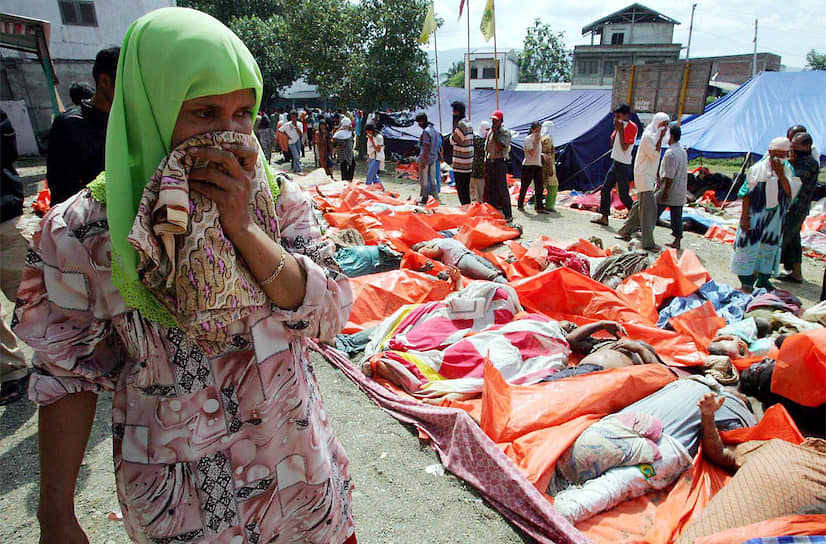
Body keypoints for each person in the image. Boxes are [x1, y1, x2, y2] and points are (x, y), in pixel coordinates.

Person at [13, 8, 355, 543]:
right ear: (150, 108)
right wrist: (56, 515)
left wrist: (243, 229)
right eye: (203, 113)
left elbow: (331, 312)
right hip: (184, 505)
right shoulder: (83, 234)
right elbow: (67, 376)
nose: (228, 135)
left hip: (299, 485)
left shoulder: (278, 201)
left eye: (243, 113)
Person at [675, 394, 826, 543]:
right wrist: (708, 418)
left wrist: (708, 417)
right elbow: (720, 454)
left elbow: (719, 454)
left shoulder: (776, 448)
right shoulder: (774, 448)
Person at [46, 46, 120, 205]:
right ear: (105, 81)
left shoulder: (126, 120)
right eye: (127, 83)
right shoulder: (70, 125)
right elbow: (63, 192)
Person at [732, 137, 800, 293]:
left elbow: (791, 193)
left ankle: (763, 279)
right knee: (748, 247)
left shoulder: (788, 170)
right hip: (755, 217)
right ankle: (747, 282)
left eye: (782, 155)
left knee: (767, 249)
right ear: (769, 152)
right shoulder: (757, 169)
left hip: (774, 221)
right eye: (775, 154)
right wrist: (744, 217)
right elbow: (746, 193)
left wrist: (780, 174)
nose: (778, 158)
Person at [0, 109, 29, 405]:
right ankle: (11, 371)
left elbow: (7, 150)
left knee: (30, 300)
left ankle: (61, 361)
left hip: (4, 221)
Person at [615, 112, 669, 251]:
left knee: (640, 204)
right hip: (643, 175)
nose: (665, 128)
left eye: (667, 124)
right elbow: (654, 154)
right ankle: (648, 242)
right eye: (663, 124)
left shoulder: (656, 138)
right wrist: (660, 138)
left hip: (649, 175)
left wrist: (656, 174)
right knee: (648, 210)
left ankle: (624, 230)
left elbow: (655, 160)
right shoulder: (648, 137)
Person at [779, 132, 820, 283]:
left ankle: (763, 270)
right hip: (794, 207)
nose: (792, 149)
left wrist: (790, 163)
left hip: (797, 207)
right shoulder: (801, 159)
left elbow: (794, 182)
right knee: (794, 241)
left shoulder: (809, 163)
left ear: (806, 146)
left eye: (795, 147)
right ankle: (796, 273)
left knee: (782, 238)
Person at [592, 104, 638, 225]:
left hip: (624, 164)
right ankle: (604, 216)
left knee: (623, 195)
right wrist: (617, 129)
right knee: (605, 189)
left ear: (626, 116)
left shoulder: (632, 127)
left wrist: (621, 130)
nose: (616, 119)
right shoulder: (619, 127)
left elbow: (624, 147)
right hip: (615, 162)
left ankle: (637, 217)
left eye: (619, 116)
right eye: (616, 116)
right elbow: (613, 143)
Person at [412, 238, 507, 283]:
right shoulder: (441, 243)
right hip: (463, 258)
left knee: (495, 273)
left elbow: (433, 252)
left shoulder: (438, 242)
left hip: (465, 256)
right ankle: (514, 291)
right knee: (493, 275)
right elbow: (432, 253)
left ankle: (513, 290)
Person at [655, 124, 688, 250]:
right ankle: (677, 239)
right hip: (680, 188)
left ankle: (644, 233)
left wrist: (665, 192)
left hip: (669, 188)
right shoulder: (682, 152)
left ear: (671, 136)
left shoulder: (670, 153)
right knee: (676, 215)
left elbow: (669, 176)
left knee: (654, 211)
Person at [485, 110, 513, 222]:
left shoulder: (504, 132)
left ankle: (508, 214)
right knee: (491, 189)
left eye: (496, 120)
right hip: (490, 162)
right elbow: (487, 148)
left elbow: (501, 147)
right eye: (492, 120)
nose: (493, 122)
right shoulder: (490, 133)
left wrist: (496, 133)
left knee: (502, 189)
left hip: (499, 162)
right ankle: (493, 212)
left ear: (501, 121)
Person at [519, 121, 548, 214]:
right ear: (532, 129)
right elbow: (531, 152)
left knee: (539, 187)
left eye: (540, 130)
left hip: (538, 165)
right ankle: (520, 205)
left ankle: (539, 207)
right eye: (537, 130)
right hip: (528, 165)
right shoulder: (528, 139)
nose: (538, 132)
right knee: (525, 186)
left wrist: (543, 155)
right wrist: (536, 142)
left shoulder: (539, 140)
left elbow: (537, 153)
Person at [449, 101, 474, 205]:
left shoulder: (461, 124)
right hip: (468, 162)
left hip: (461, 164)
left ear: (456, 112)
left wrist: (454, 126)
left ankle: (466, 210)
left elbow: (453, 140)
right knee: (465, 189)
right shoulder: (468, 122)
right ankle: (467, 209)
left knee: (462, 190)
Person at [415, 112, 440, 204]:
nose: (418, 125)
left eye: (419, 122)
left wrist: (423, 161)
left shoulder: (426, 132)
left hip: (426, 158)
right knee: (433, 178)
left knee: (424, 179)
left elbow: (426, 146)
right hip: (434, 157)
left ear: (422, 121)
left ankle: (425, 197)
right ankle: (434, 196)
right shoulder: (434, 131)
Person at [540, 120, 558, 212]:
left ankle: (538, 203)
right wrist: (550, 168)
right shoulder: (547, 139)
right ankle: (549, 205)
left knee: (540, 185)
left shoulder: (541, 138)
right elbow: (547, 156)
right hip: (547, 165)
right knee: (553, 185)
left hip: (541, 165)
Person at [470, 121, 489, 203]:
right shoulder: (478, 139)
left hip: (482, 166)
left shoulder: (479, 139)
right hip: (477, 166)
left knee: (481, 185)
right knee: (477, 185)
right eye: (486, 129)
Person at [332, 117, 355, 181]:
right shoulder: (344, 133)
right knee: (349, 165)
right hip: (347, 152)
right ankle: (348, 180)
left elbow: (334, 141)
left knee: (344, 166)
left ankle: (346, 180)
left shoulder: (338, 133)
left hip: (343, 153)